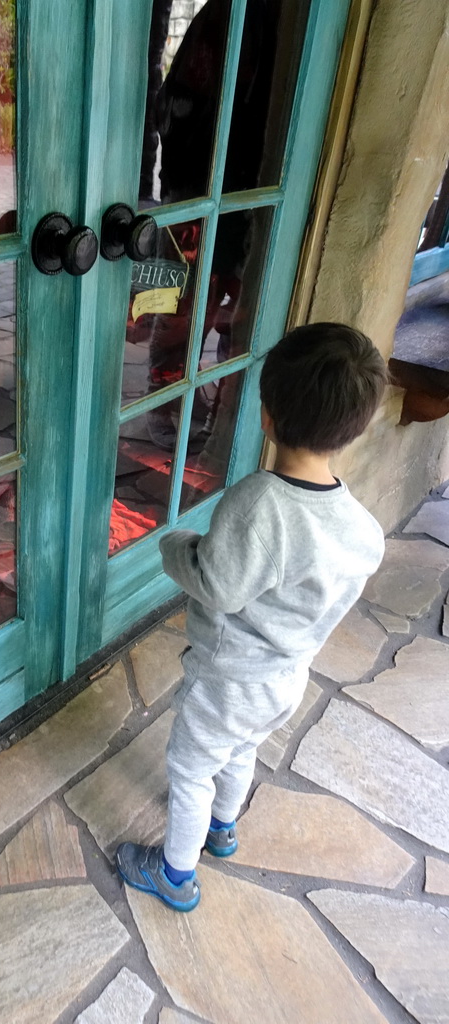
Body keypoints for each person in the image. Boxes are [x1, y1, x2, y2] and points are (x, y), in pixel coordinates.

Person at [115, 323, 388, 911]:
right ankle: (223, 827)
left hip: (228, 677)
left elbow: (218, 584)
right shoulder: (362, 531)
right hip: (286, 678)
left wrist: (174, 545)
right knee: (241, 750)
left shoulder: (260, 505)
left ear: (266, 415)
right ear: (355, 427)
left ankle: (175, 876)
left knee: (189, 767)